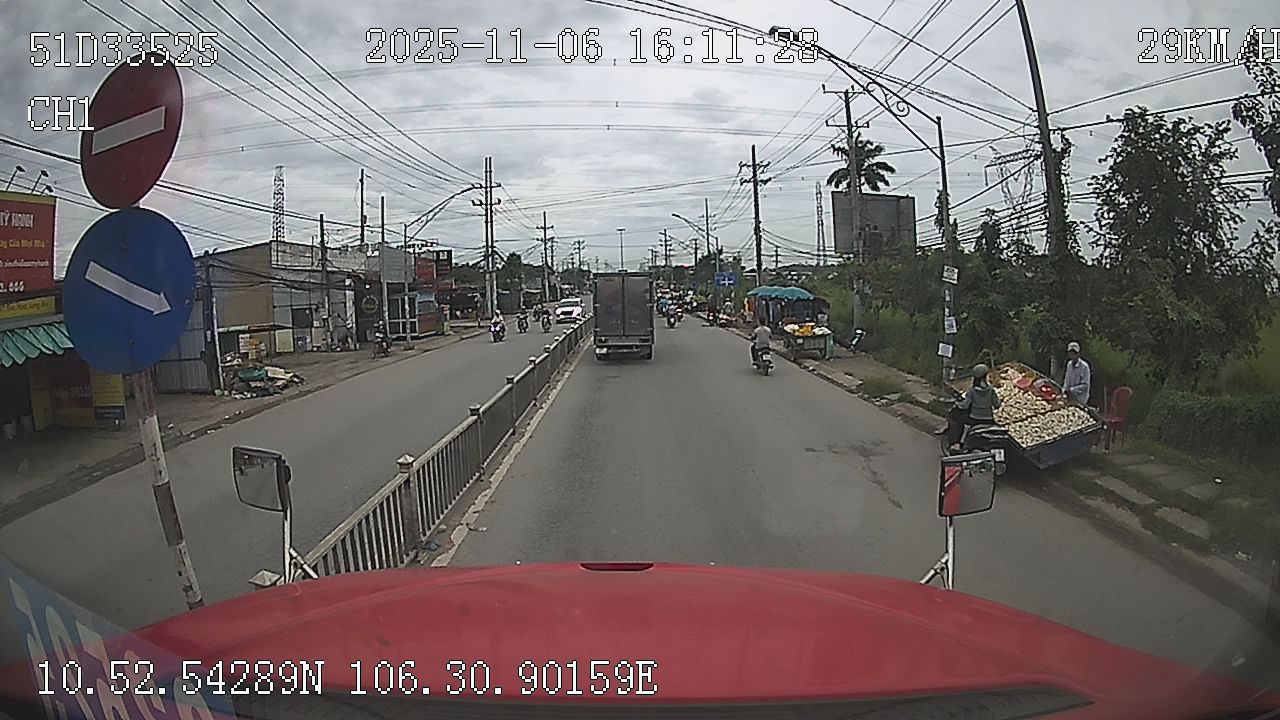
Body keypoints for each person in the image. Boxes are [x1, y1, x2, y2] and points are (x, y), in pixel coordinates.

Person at [942, 363, 1002, 451]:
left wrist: (957, 404)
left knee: (956, 418)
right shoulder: (990, 390)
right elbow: (997, 404)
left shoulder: (972, 390)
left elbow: (965, 405)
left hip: (974, 418)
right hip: (989, 419)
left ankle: (957, 443)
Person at [1063, 341, 1092, 406]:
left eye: (1074, 354)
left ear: (1078, 354)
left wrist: (1072, 390)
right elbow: (1067, 380)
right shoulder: (1069, 364)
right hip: (1069, 398)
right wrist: (1064, 390)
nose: (1073, 356)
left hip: (1080, 399)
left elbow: (1085, 385)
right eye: (1071, 354)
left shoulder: (1084, 366)